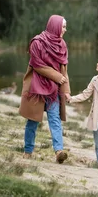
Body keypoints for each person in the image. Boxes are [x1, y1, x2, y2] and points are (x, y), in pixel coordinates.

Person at [19, 15, 71, 164]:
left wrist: (66, 90)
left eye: (65, 26)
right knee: (33, 121)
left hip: (53, 89)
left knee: (55, 120)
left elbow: (64, 70)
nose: (65, 30)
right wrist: (57, 77)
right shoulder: (37, 42)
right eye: (63, 26)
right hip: (36, 87)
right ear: (55, 26)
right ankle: (28, 152)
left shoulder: (62, 45)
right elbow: (37, 64)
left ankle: (59, 152)